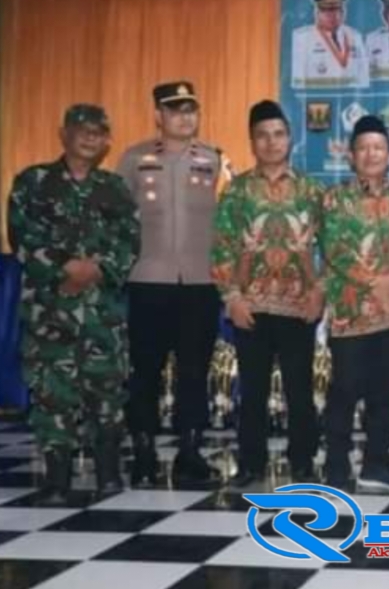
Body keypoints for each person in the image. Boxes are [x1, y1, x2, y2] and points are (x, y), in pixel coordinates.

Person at [7, 104, 140, 503]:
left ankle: (109, 474)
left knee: (107, 392)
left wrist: (97, 270)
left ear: (106, 141)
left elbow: (130, 240)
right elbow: (22, 236)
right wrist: (65, 268)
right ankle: (57, 480)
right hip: (51, 311)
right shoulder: (33, 182)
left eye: (98, 132)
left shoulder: (115, 188)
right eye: (82, 130)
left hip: (101, 312)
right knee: (52, 394)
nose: (90, 138)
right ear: (63, 134)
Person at [119, 81, 232, 488]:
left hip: (200, 282)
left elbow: (229, 220)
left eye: (190, 110)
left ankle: (190, 452)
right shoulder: (134, 159)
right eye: (175, 110)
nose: (184, 117)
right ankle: (143, 452)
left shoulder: (215, 160)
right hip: (148, 280)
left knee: (194, 371)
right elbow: (117, 219)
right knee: (145, 370)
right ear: (159, 115)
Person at [210, 101, 324, 486]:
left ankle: (303, 461)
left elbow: (336, 248)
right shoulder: (237, 191)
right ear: (252, 142)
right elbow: (222, 248)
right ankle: (251, 463)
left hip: (298, 307)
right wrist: (232, 298)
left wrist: (319, 293)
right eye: (262, 136)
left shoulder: (310, 190)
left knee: (299, 389)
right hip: (251, 307)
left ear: (289, 138)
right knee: (253, 390)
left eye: (278, 134)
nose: (271, 142)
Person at [320, 115, 389, 491]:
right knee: (345, 390)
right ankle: (336, 464)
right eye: (363, 147)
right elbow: (335, 249)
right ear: (351, 156)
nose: (371, 154)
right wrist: (376, 285)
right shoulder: (335, 198)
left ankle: (377, 464)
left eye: (378, 147)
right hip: (351, 314)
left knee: (386, 393)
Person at [291, 0, 370, 89]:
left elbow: (363, 76)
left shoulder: (354, 36)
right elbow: (298, 81)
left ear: (343, 14)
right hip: (317, 94)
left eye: (336, 13)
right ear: (317, 14)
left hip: (349, 94)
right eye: (327, 13)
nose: (332, 17)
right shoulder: (303, 38)